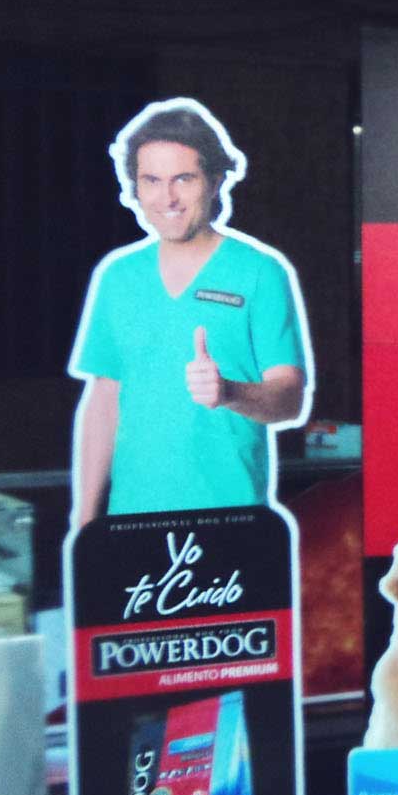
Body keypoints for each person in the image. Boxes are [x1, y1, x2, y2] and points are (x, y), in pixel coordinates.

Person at [69, 101, 311, 524]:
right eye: (152, 180)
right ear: (136, 187)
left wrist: (229, 392)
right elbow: (104, 402)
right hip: (134, 518)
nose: (167, 198)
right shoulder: (119, 277)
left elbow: (290, 399)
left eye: (183, 178)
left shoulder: (260, 272)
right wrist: (85, 519)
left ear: (214, 181)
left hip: (230, 518)